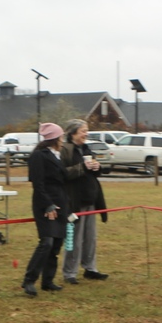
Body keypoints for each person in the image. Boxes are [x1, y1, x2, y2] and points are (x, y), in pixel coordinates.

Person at [21, 123, 69, 296]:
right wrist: (48, 205)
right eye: (61, 137)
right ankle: (29, 280)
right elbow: (38, 184)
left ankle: (48, 281)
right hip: (45, 204)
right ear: (55, 139)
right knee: (46, 242)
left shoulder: (57, 155)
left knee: (56, 244)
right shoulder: (38, 156)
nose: (63, 140)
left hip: (61, 203)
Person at [59, 119, 110, 284]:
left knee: (90, 237)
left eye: (86, 131)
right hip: (74, 201)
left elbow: (92, 171)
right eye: (83, 131)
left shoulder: (87, 148)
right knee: (73, 238)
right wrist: (82, 167)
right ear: (73, 133)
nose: (86, 134)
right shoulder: (65, 150)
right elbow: (63, 174)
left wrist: (97, 168)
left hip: (91, 198)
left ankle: (90, 268)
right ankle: (69, 273)